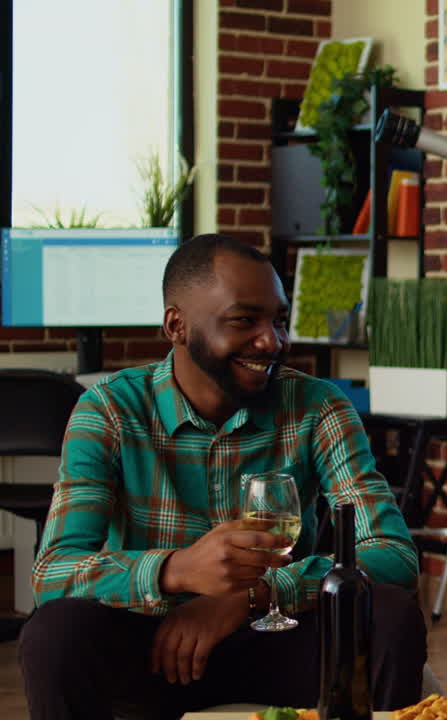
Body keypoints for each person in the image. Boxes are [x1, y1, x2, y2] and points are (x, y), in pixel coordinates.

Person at [20, 234, 426, 720]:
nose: (271, 340)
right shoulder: (109, 409)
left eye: (278, 320)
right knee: (54, 634)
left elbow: (394, 554)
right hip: (151, 647)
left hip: (276, 636)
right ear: (177, 325)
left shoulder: (318, 406)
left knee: (389, 616)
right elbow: (54, 572)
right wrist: (177, 571)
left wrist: (250, 596)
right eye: (244, 320)